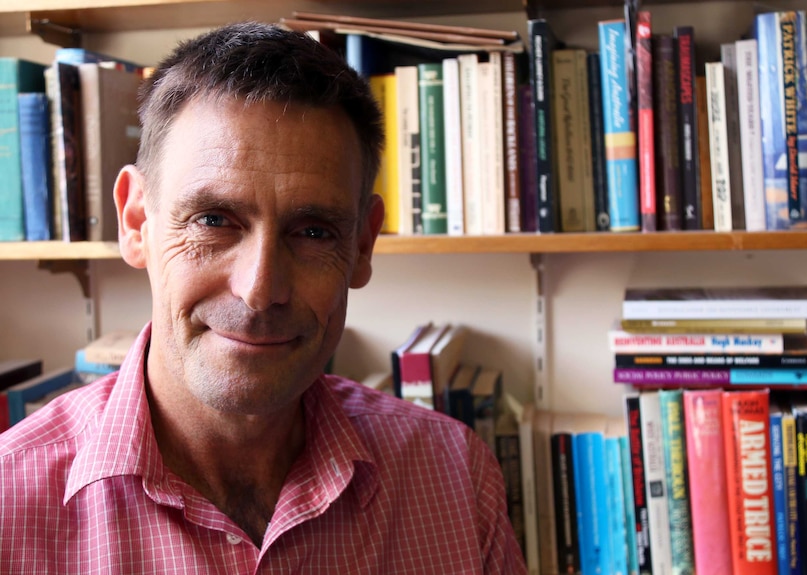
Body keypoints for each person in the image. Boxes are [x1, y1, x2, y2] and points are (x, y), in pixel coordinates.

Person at [0, 22, 527, 574]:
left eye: (314, 231)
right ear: (137, 223)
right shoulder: (11, 507)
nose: (259, 290)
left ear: (363, 245)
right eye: (213, 220)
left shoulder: (455, 478)